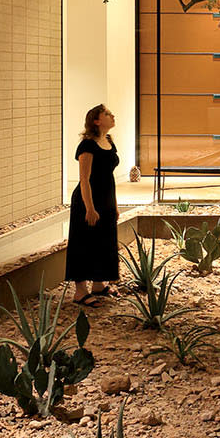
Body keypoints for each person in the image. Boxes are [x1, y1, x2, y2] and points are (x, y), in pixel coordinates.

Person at [65, 103, 119, 304]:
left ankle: (98, 284)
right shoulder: (87, 145)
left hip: (106, 199)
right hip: (88, 200)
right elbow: (84, 179)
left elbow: (109, 178)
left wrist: (114, 206)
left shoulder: (109, 141)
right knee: (84, 242)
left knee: (104, 241)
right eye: (107, 113)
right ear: (96, 121)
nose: (112, 115)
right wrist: (89, 207)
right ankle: (80, 291)